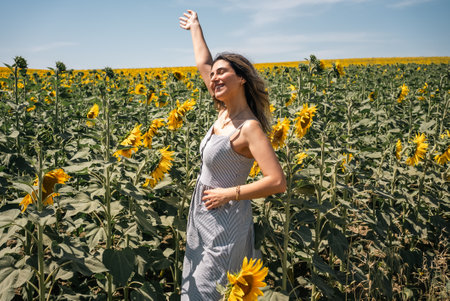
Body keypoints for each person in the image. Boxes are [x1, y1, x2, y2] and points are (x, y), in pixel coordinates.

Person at [179, 9, 287, 300]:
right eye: (212, 76)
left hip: (226, 219)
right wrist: (195, 28)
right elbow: (203, 61)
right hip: (202, 215)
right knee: (196, 286)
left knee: (210, 290)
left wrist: (230, 193)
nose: (213, 78)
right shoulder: (223, 112)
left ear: (241, 78)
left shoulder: (249, 128)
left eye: (222, 72)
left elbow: (277, 181)